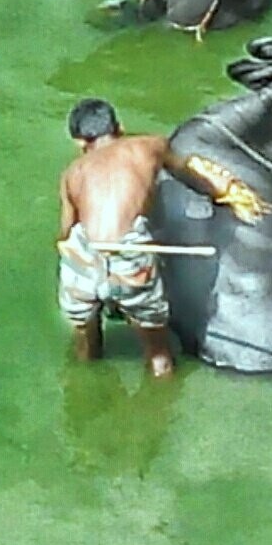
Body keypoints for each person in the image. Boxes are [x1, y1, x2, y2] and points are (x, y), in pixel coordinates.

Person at [56, 98, 185, 378]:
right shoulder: (150, 145)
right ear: (120, 128)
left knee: (86, 346)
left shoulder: (72, 173)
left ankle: (87, 390)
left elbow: (66, 231)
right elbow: (186, 169)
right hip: (128, 257)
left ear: (79, 142)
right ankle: (158, 409)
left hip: (84, 260)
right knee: (159, 354)